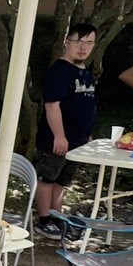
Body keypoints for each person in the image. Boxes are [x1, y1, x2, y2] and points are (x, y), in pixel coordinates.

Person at [33, 24, 98, 239]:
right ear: (67, 43)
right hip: (56, 140)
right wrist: (59, 136)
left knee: (62, 181)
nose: (83, 48)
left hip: (78, 142)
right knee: (47, 178)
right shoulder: (59, 71)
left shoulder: (86, 73)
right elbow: (52, 105)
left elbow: (86, 106)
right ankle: (43, 220)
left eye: (88, 43)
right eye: (78, 42)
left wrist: (86, 135)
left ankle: (57, 218)